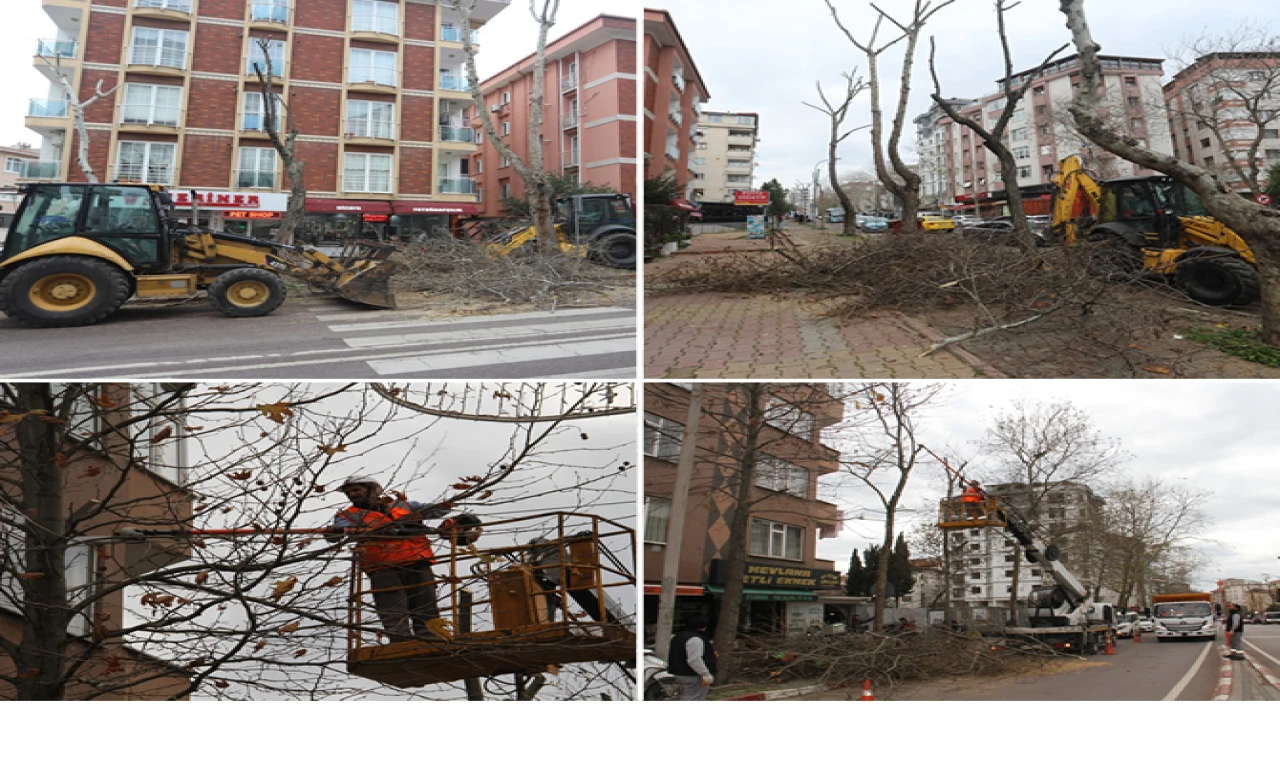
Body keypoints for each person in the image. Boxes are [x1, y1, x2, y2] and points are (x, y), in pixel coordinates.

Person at [329, 475, 454, 642]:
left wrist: (453, 517)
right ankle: (401, 644)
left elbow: (441, 509)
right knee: (393, 609)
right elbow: (339, 533)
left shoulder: (404, 505)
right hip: (382, 567)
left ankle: (433, 641)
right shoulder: (347, 515)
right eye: (348, 492)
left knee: (426, 606)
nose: (352, 495)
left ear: (373, 490)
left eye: (356, 490)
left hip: (416, 561)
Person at [668, 615, 717, 701]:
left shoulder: (677, 636)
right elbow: (694, 660)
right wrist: (705, 673)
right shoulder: (695, 639)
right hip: (692, 675)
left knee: (686, 696)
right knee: (694, 698)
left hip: (679, 673)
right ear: (704, 627)